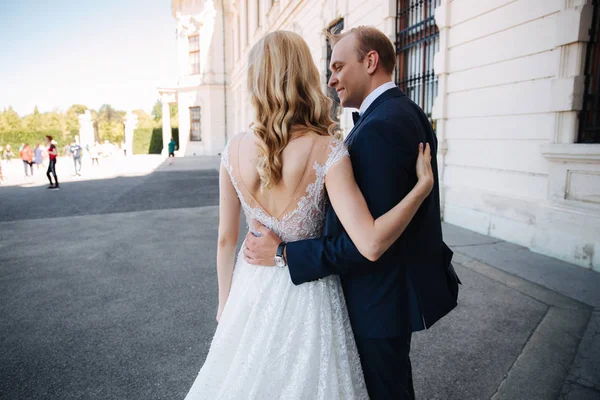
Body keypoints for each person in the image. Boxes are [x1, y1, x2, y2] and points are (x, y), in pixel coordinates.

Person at [184, 30, 434, 400]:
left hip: (249, 293)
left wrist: (225, 304)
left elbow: (225, 238)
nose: (331, 77)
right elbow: (371, 241)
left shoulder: (232, 149)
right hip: (310, 298)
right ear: (303, 77)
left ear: (255, 81)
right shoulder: (327, 150)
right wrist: (421, 189)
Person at [244, 26, 460, 399]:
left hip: (379, 299)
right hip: (387, 293)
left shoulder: (381, 127)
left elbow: (368, 241)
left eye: (339, 67)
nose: (332, 79)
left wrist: (283, 253)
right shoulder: (403, 112)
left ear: (371, 61)